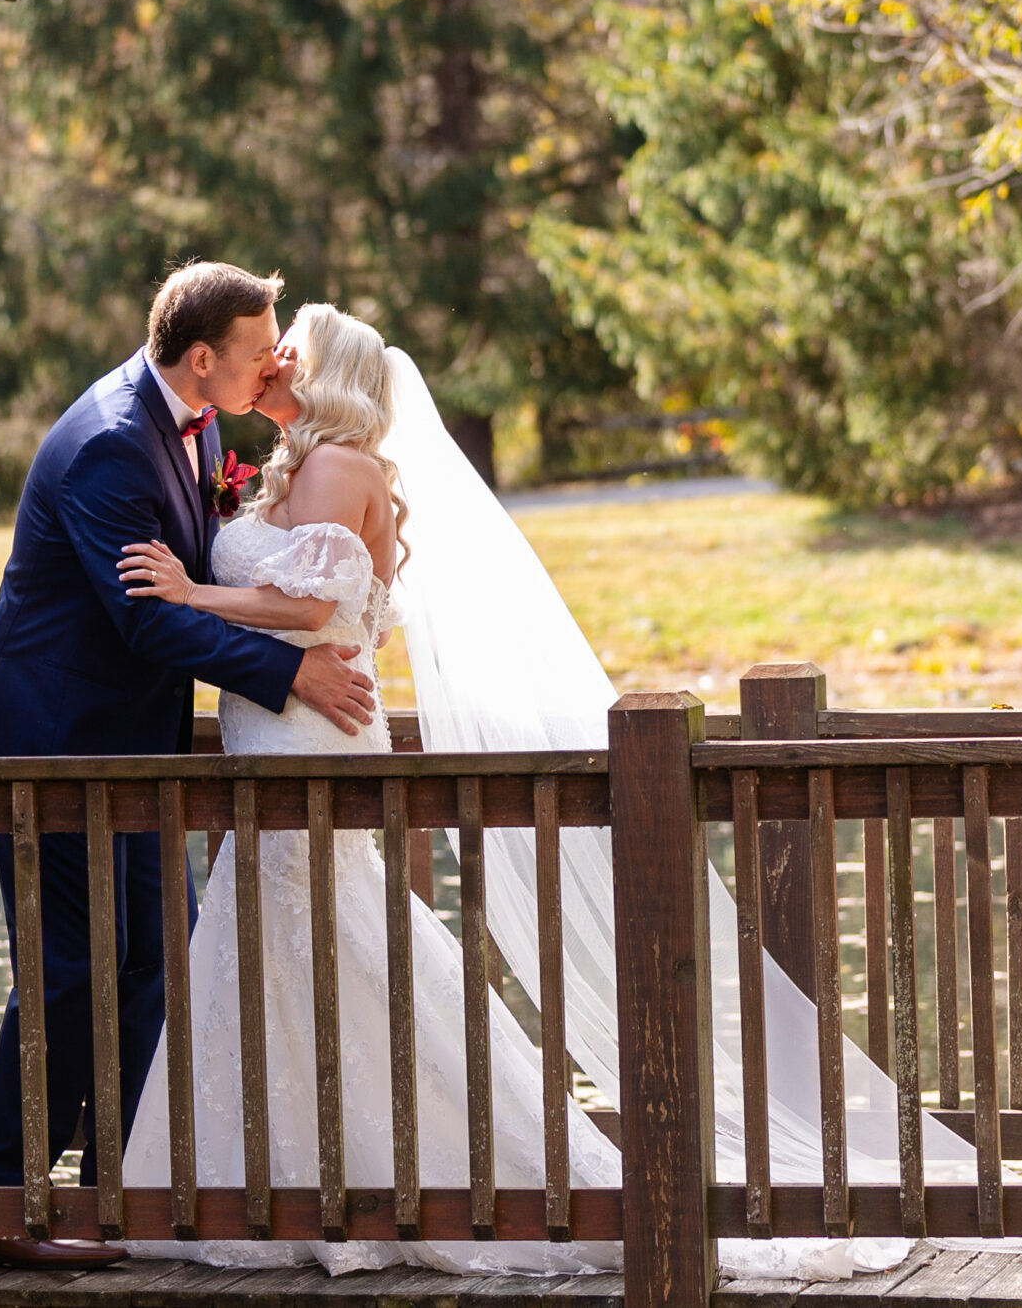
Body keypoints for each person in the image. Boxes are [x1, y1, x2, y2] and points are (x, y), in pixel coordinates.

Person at [113, 304, 971, 1280]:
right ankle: (281, 1182)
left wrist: (191, 594)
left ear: (330, 374)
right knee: (291, 949)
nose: (269, 363)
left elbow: (312, 607)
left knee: (338, 939)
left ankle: (412, 1178)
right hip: (274, 733)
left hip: (309, 729)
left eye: (287, 353)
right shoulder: (299, 469)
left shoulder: (342, 468)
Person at [0, 261, 379, 1272]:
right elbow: (143, 621)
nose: (275, 359)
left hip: (126, 749)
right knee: (66, 974)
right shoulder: (109, 444)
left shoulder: (190, 425)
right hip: (47, 744)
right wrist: (290, 674)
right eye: (258, 346)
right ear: (200, 359)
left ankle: (129, 1194)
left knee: (154, 965)